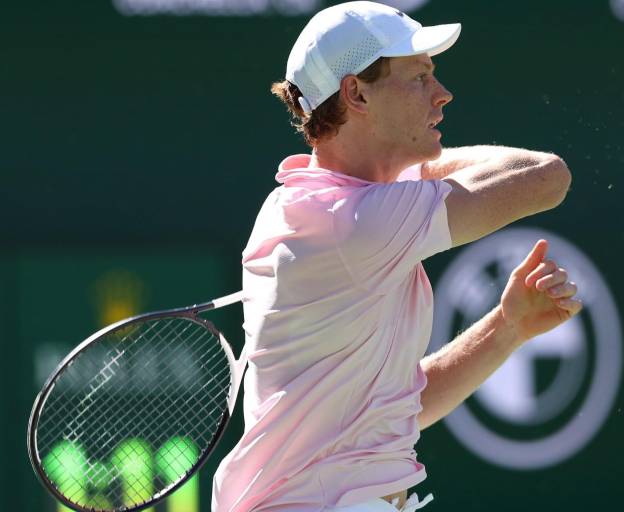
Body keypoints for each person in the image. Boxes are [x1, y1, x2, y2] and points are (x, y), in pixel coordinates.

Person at [212, 2, 581, 511]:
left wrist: (507, 327)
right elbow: (546, 177)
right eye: (419, 77)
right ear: (357, 93)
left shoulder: (307, 207)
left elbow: (395, 411)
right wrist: (415, 170)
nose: (442, 93)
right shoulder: (353, 222)